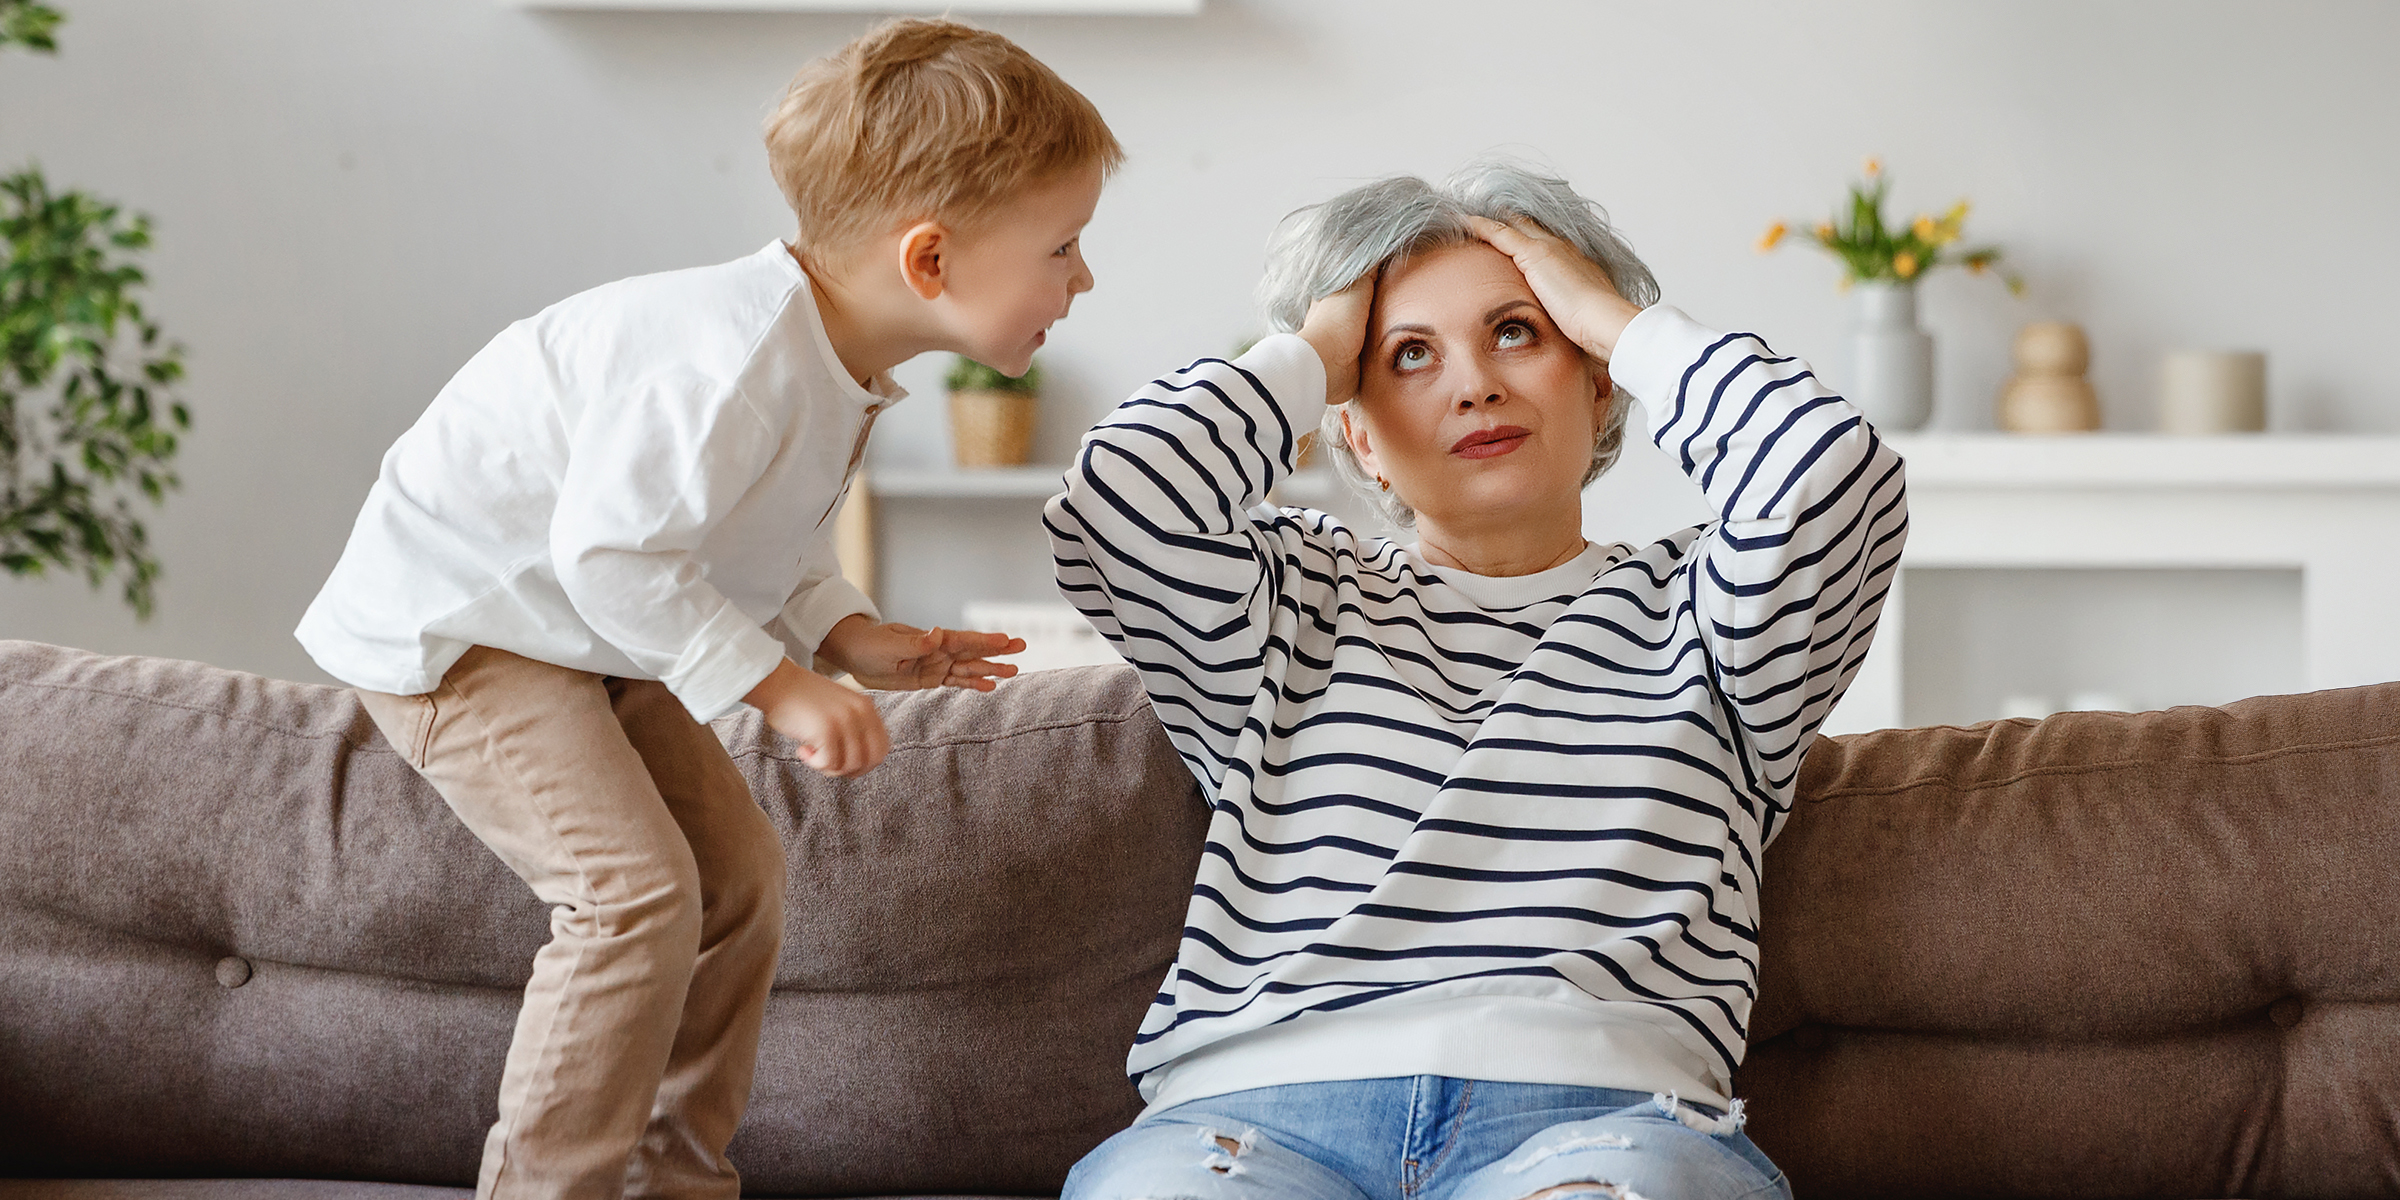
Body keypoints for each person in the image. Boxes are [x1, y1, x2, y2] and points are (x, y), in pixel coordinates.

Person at [295, 19, 1117, 1200]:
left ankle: (672, 1177)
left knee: (739, 881)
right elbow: (612, 557)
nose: (1083, 279)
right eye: (1065, 246)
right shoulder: (726, 362)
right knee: (631, 893)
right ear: (930, 261)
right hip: (467, 628)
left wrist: (844, 630)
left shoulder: (824, 359)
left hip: (583, 624)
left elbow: (740, 534)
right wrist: (782, 687)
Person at [1045, 161, 1907, 1200]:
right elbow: (1115, 500)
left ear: (1595, 382)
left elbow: (1829, 473)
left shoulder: (1711, 615)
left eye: (1517, 331)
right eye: (1408, 356)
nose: (1474, 385)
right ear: (1354, 434)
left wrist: (1618, 321)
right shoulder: (1285, 599)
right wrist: (1315, 355)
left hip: (1603, 1124)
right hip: (1249, 1125)